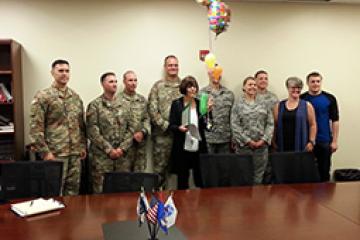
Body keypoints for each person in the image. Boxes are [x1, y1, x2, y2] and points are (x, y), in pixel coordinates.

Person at [29, 59, 86, 196]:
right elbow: (35, 127)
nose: (64, 74)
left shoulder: (75, 97)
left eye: (67, 71)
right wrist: (45, 152)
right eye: (60, 71)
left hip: (74, 153)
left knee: (73, 192)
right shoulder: (43, 96)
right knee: (54, 191)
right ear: (52, 73)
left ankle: (71, 217)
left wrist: (82, 146)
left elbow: (81, 125)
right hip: (55, 153)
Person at [86, 72, 133, 193]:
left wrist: (122, 148)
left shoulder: (125, 104)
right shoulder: (95, 105)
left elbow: (131, 128)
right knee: (101, 191)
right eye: (111, 82)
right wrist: (109, 149)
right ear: (103, 84)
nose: (114, 84)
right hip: (102, 158)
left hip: (122, 157)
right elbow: (92, 130)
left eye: (115, 81)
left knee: (121, 191)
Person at [231, 76, 274, 184]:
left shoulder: (264, 104)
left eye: (255, 85)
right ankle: (245, 200)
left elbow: (270, 123)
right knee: (244, 177)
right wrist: (248, 141)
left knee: (258, 176)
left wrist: (263, 140)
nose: (253, 87)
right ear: (244, 87)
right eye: (250, 84)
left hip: (261, 147)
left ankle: (257, 199)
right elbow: (234, 125)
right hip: (243, 147)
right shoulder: (237, 105)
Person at [148, 55, 182, 187]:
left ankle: (177, 203)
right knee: (160, 171)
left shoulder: (184, 85)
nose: (173, 68)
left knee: (180, 171)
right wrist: (167, 126)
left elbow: (190, 107)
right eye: (170, 65)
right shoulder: (158, 86)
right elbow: (152, 109)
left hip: (181, 136)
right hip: (163, 136)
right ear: (165, 67)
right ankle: (159, 203)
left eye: (175, 65)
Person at [168, 76, 208, 189]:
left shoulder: (201, 104)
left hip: (198, 147)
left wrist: (208, 113)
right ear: (184, 88)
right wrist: (179, 128)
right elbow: (171, 125)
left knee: (200, 180)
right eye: (190, 87)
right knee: (182, 180)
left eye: (194, 87)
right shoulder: (176, 104)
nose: (192, 89)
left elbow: (208, 126)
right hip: (182, 147)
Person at [301, 72, 339, 181]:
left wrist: (335, 141)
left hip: (324, 140)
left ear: (321, 82)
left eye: (318, 81)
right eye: (312, 81)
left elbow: (335, 121)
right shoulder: (302, 99)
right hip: (306, 141)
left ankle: (325, 198)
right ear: (308, 83)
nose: (315, 84)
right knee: (307, 173)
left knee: (324, 172)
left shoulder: (330, 98)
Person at [118, 70, 150, 172]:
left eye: (135, 80)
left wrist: (143, 132)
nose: (133, 83)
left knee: (139, 178)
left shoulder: (142, 100)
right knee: (124, 180)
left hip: (139, 147)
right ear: (124, 82)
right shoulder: (117, 100)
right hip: (124, 148)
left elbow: (147, 118)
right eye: (130, 80)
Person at [273, 77, 317, 152]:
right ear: (288, 88)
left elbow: (313, 125)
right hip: (282, 145)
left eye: (299, 88)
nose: (296, 90)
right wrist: (273, 141)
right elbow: (274, 125)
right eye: (293, 88)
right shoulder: (279, 106)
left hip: (302, 145)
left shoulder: (307, 105)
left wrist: (311, 142)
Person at [199, 68, 234, 153]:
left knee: (224, 165)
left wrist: (234, 136)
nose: (216, 75)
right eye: (213, 73)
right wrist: (206, 109)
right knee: (208, 165)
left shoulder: (229, 94)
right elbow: (199, 116)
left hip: (225, 138)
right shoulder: (202, 93)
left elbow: (233, 117)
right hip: (208, 138)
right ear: (208, 74)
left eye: (218, 73)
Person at [254, 70, 278, 183]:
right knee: (254, 169)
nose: (263, 81)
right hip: (253, 138)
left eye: (266, 78)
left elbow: (276, 119)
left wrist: (273, 138)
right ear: (255, 81)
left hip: (269, 137)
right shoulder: (250, 96)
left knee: (269, 167)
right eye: (261, 78)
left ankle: (267, 192)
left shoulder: (273, 98)